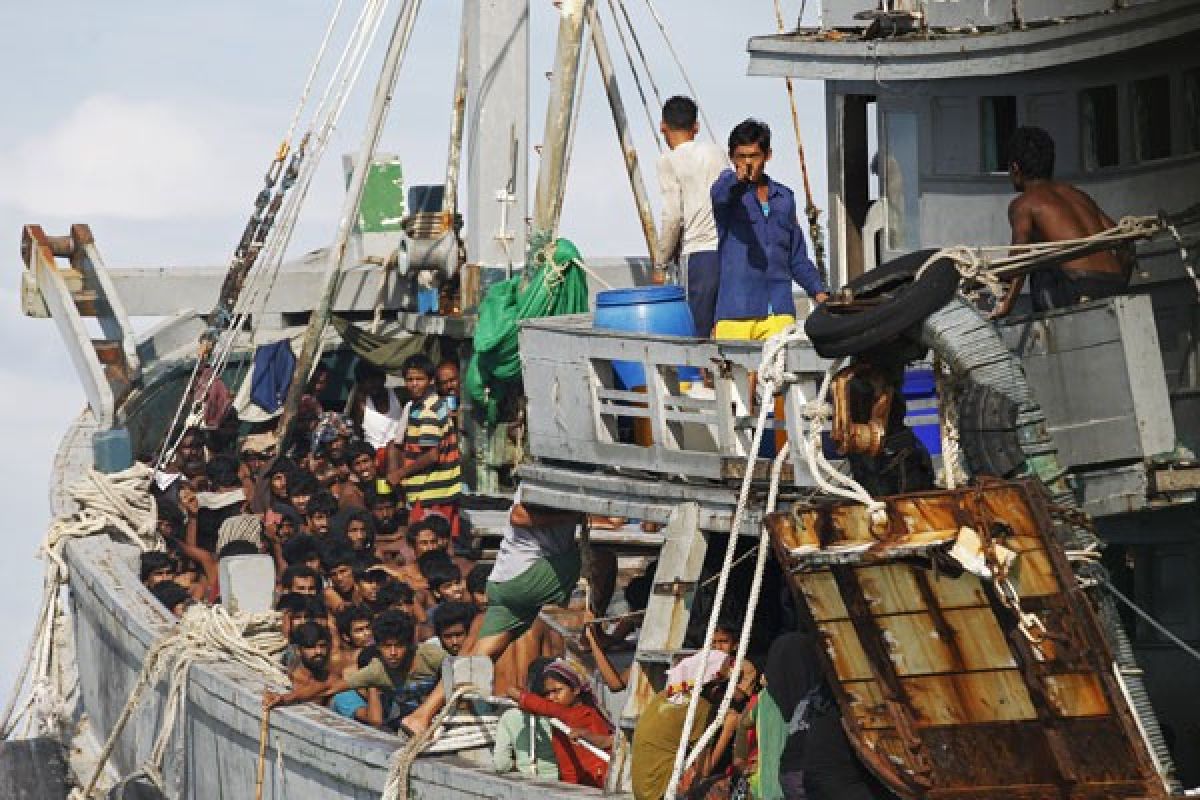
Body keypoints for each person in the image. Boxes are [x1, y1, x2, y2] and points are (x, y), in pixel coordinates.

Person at [401, 496, 584, 736]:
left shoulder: (484, 619)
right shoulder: (540, 484)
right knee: (598, 559)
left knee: (477, 655)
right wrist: (573, 516)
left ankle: (422, 714)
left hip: (506, 583)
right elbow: (518, 515)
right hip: (525, 579)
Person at [992, 126, 1134, 317]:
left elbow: (1020, 259)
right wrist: (1120, 283)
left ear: (1015, 168)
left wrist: (1007, 303)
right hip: (1114, 283)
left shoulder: (1024, 204)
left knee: (1040, 261)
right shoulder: (1079, 196)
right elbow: (1125, 241)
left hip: (1078, 288)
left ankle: (1049, 322)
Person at [711, 118, 828, 343]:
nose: (747, 163)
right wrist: (738, 179)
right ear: (732, 158)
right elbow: (720, 194)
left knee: (781, 373)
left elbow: (796, 257)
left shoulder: (784, 198)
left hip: (779, 310)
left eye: (753, 156)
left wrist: (818, 292)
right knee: (736, 377)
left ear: (767, 156)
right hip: (737, 311)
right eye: (741, 157)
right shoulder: (727, 190)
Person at [656, 95, 728, 337]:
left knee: (696, 331)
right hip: (728, 251)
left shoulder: (668, 161)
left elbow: (673, 217)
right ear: (696, 127)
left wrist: (660, 263)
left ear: (663, 126)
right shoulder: (717, 153)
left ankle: (700, 375)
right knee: (724, 327)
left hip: (698, 253)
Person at [387, 354, 462, 539]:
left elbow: (431, 456)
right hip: (440, 491)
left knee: (427, 543)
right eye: (410, 379)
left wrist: (400, 473)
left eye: (419, 379)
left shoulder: (427, 410)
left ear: (430, 381)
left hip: (431, 493)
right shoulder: (426, 405)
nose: (414, 384)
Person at [509, 659, 612, 787]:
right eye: (547, 693)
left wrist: (517, 695)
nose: (551, 697)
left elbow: (528, 700)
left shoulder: (570, 713)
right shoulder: (589, 710)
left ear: (575, 690)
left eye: (557, 691)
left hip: (592, 780)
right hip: (590, 779)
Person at [493, 657, 560, 779]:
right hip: (560, 784)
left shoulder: (509, 717)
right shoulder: (561, 714)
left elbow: (501, 764)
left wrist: (521, 764)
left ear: (527, 682)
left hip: (526, 782)